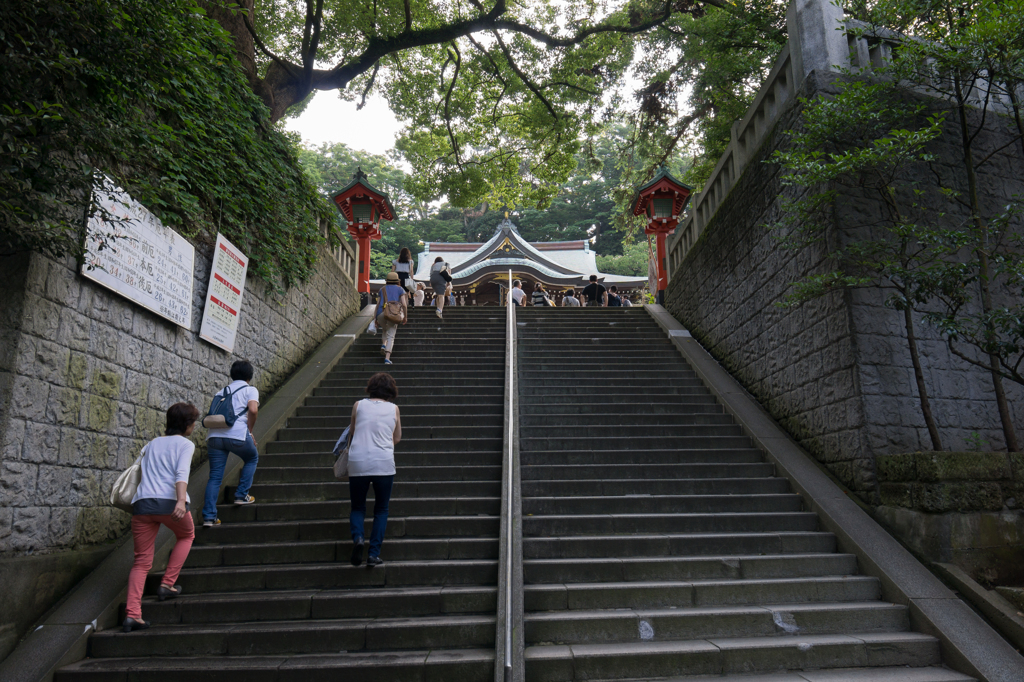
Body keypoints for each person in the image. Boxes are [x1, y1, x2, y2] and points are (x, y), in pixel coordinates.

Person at [124, 402, 200, 632]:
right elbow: (181, 473)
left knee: (141, 562)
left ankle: (132, 614)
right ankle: (167, 583)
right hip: (169, 503)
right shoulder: (185, 444)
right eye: (193, 422)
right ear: (187, 425)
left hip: (142, 504)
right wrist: (180, 500)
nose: (195, 426)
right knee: (187, 535)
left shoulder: (151, 444)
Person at [348, 372, 402, 568]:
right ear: (391, 391)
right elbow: (396, 438)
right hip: (383, 463)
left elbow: (353, 431)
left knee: (357, 506)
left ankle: (358, 538)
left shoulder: (358, 405)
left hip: (358, 461)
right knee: (381, 509)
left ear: (370, 388)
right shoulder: (394, 409)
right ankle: (373, 554)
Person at [203, 360, 260, 527]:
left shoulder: (221, 391)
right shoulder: (250, 390)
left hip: (214, 436)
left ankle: (208, 517)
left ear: (232, 374)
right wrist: (249, 430)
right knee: (251, 458)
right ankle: (241, 495)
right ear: (249, 376)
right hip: (237, 435)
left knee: (214, 477)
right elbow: (253, 410)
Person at [377, 272, 409, 366]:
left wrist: (375, 318)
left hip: (381, 313)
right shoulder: (400, 289)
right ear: (397, 281)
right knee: (391, 334)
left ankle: (383, 344)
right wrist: (405, 316)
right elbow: (404, 304)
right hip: (392, 313)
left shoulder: (381, 289)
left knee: (384, 329)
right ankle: (387, 358)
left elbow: (378, 304)